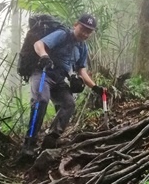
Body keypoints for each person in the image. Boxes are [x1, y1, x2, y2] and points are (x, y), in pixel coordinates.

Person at [22, 13, 106, 156]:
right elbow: (39, 44)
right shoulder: (62, 34)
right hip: (43, 73)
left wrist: (95, 87)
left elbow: (81, 70)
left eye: (89, 31)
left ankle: (51, 139)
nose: (85, 33)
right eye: (83, 28)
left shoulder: (82, 47)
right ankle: (29, 143)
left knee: (69, 104)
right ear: (75, 25)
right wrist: (44, 56)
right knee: (41, 99)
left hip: (59, 80)